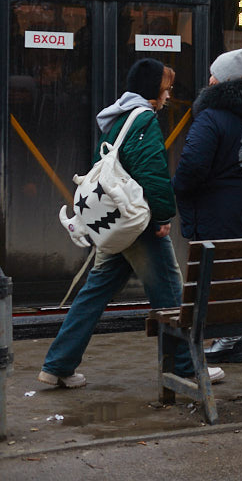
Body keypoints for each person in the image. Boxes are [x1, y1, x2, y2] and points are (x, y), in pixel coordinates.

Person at [39, 59, 225, 389]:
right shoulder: (144, 120)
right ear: (153, 89)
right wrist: (163, 215)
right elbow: (152, 172)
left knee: (94, 294)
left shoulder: (118, 117)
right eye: (166, 87)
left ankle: (57, 365)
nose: (168, 94)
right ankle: (186, 366)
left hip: (116, 227)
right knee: (169, 290)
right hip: (137, 224)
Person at [173, 48, 242, 363]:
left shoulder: (211, 117)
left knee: (220, 274)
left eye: (214, 74)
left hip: (215, 211)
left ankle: (230, 343)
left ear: (223, 81)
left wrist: (177, 190)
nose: (209, 78)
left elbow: (191, 168)